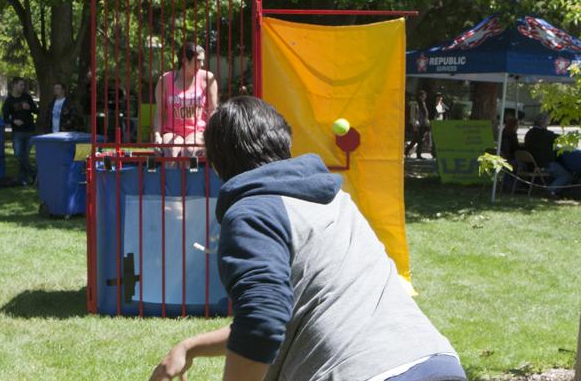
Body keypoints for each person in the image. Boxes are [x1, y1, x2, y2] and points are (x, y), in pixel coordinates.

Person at [150, 96, 466, 381]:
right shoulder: (334, 199)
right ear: (284, 143)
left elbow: (261, 322)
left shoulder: (252, 213)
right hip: (438, 363)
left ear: (217, 163)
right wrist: (190, 347)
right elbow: (284, 315)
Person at [153, 42, 218, 159]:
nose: (202, 64)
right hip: (172, 131)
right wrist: (157, 136)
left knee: (189, 151)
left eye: (203, 61)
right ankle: (172, 178)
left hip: (198, 131)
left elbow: (212, 110)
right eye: (198, 61)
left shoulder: (208, 78)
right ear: (184, 60)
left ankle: (191, 177)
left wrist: (211, 138)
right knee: (171, 151)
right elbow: (159, 113)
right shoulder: (164, 80)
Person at [524, 114, 573, 196]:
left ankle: (553, 190)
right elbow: (562, 138)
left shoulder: (529, 133)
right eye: (548, 122)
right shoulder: (546, 134)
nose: (548, 124)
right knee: (567, 175)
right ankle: (549, 190)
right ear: (543, 123)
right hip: (544, 165)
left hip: (531, 164)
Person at [2, 77, 38, 186]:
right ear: (14, 85)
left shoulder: (27, 97)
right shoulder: (9, 101)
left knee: (25, 156)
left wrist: (30, 107)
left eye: (23, 85)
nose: (23, 87)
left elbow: (36, 110)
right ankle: (34, 174)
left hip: (30, 130)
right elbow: (5, 117)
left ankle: (22, 179)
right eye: (21, 85)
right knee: (18, 154)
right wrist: (13, 121)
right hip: (18, 132)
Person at [405, 90, 430, 159]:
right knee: (419, 140)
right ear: (419, 96)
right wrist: (414, 123)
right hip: (416, 125)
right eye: (423, 96)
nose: (424, 97)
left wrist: (426, 121)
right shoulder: (415, 104)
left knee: (416, 140)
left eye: (425, 96)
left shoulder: (423, 103)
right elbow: (412, 114)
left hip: (422, 124)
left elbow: (425, 114)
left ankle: (406, 151)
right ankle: (418, 155)